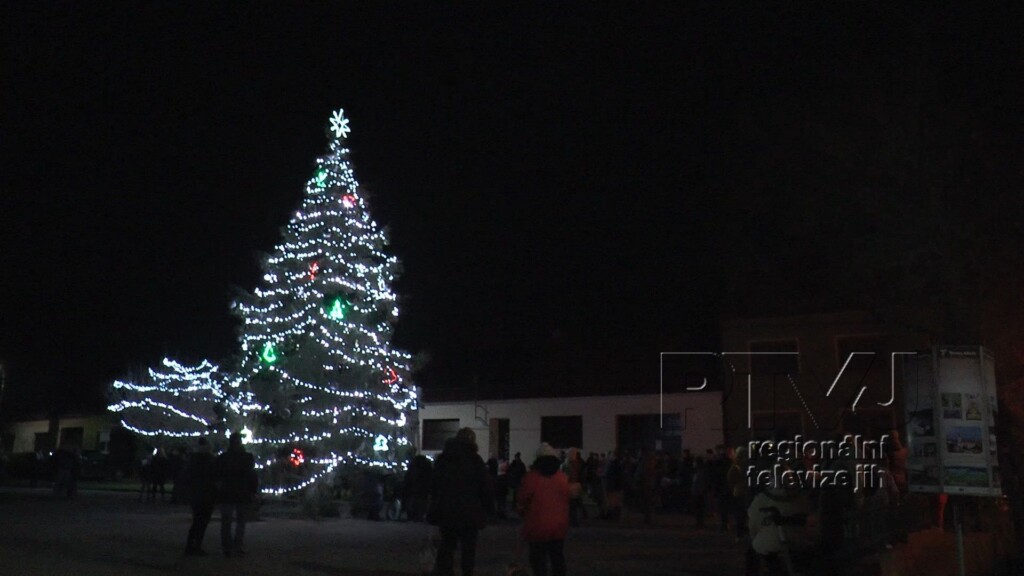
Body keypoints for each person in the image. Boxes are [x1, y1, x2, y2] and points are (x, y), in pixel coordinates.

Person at [428, 427, 491, 576]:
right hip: (470, 511)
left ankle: (446, 572)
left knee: (447, 546)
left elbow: (434, 485)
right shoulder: (475, 460)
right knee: (468, 549)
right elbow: (485, 487)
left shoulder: (444, 459)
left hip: (447, 510)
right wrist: (487, 509)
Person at [518, 443, 570, 576]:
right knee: (557, 557)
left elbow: (522, 499)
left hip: (537, 525)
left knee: (538, 560)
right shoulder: (562, 478)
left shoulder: (531, 478)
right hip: (558, 525)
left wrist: (522, 512)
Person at [216, 432, 258, 557]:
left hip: (227, 492)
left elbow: (218, 475)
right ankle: (237, 546)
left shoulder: (223, 457)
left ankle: (227, 547)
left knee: (227, 521)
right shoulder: (247, 457)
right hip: (242, 492)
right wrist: (253, 490)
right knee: (240, 521)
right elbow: (251, 475)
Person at [184, 437, 217, 556]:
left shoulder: (193, 460)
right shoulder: (211, 460)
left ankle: (192, 544)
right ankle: (196, 544)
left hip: (196, 493)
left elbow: (188, 477)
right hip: (207, 494)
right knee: (202, 521)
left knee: (197, 520)